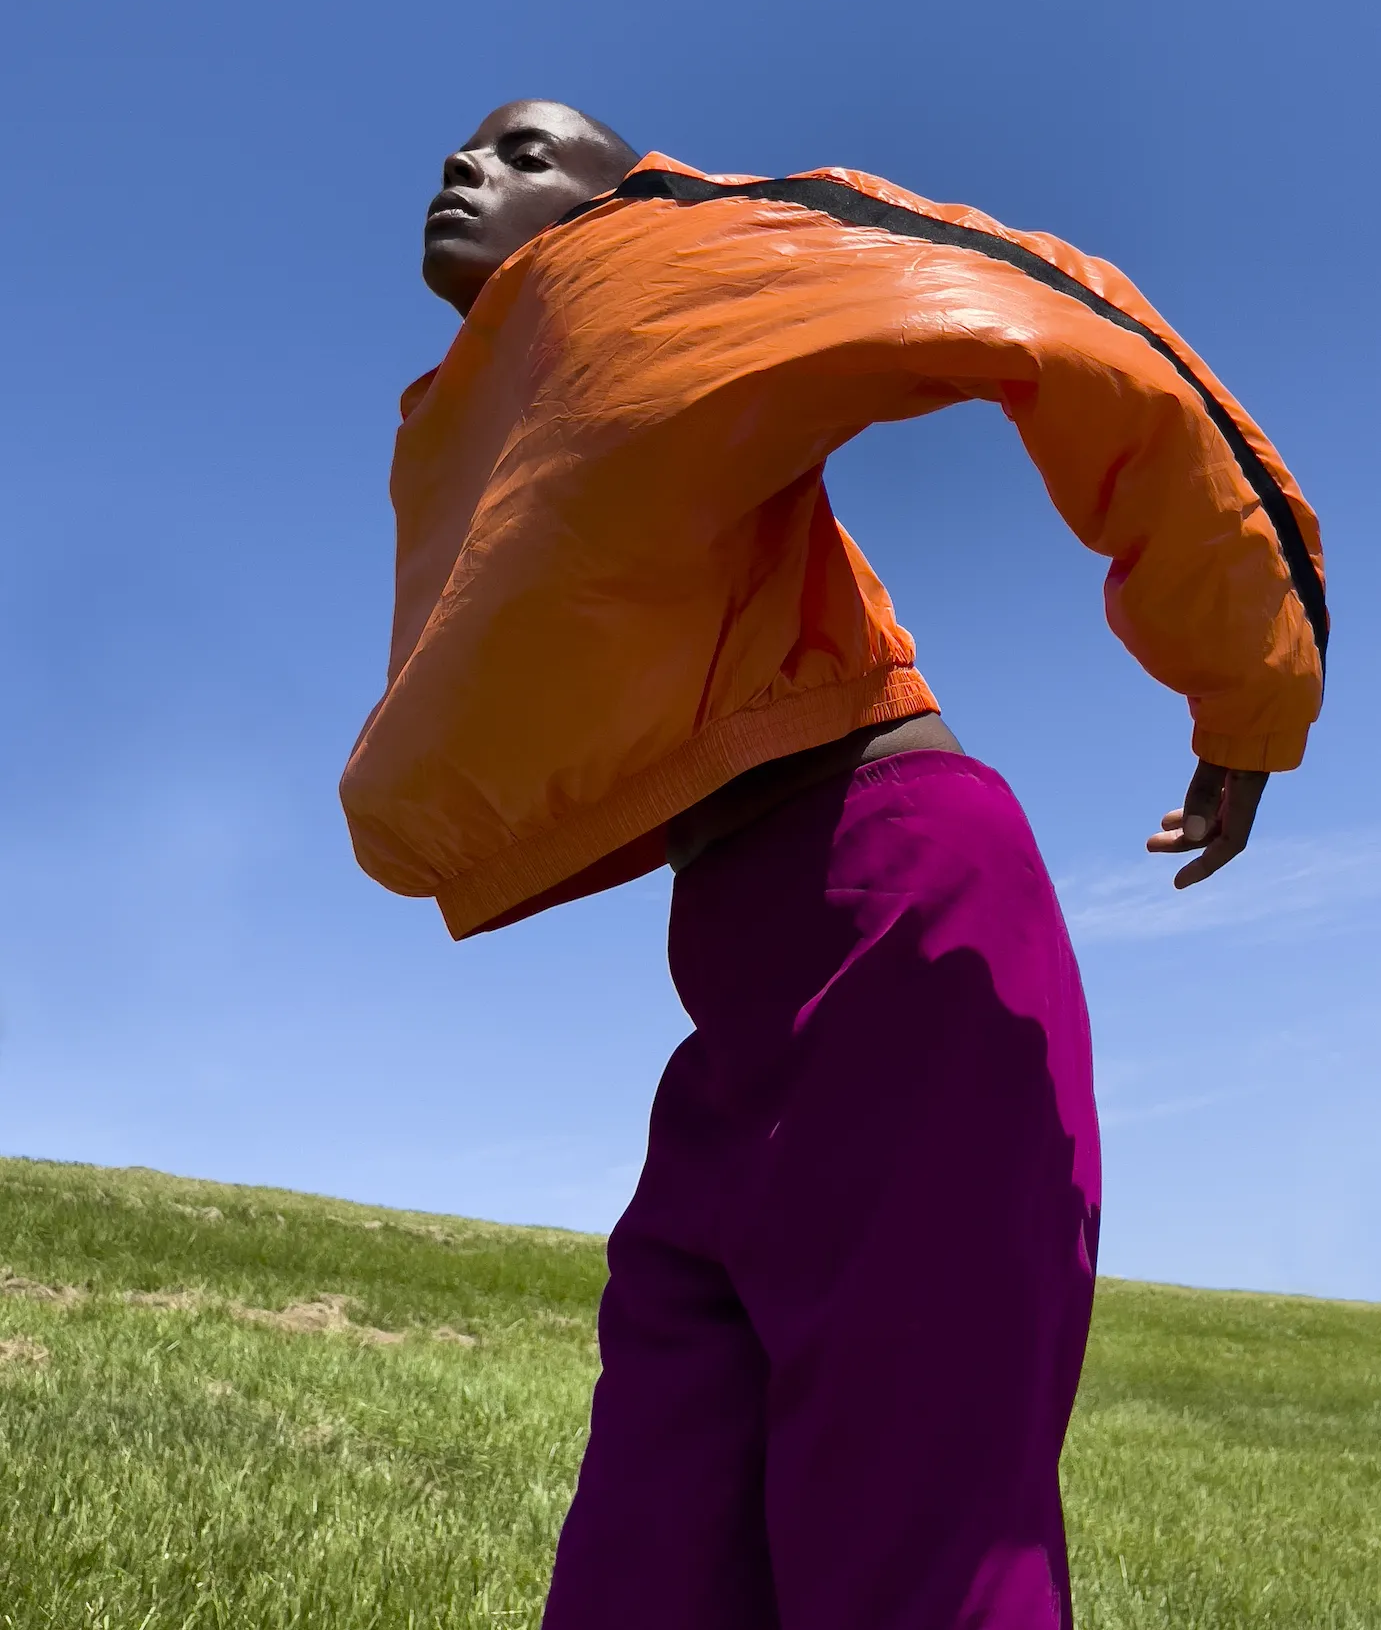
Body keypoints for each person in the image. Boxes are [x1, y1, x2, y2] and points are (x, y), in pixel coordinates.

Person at [340, 99, 1326, 1630]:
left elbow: (1073, 330)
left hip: (904, 908)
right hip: (738, 951)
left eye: (530, 150)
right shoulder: (499, 387)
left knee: (915, 1529)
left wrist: (1247, 690)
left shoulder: (681, 254)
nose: (468, 167)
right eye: (465, 149)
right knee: (653, 1541)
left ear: (625, 188)